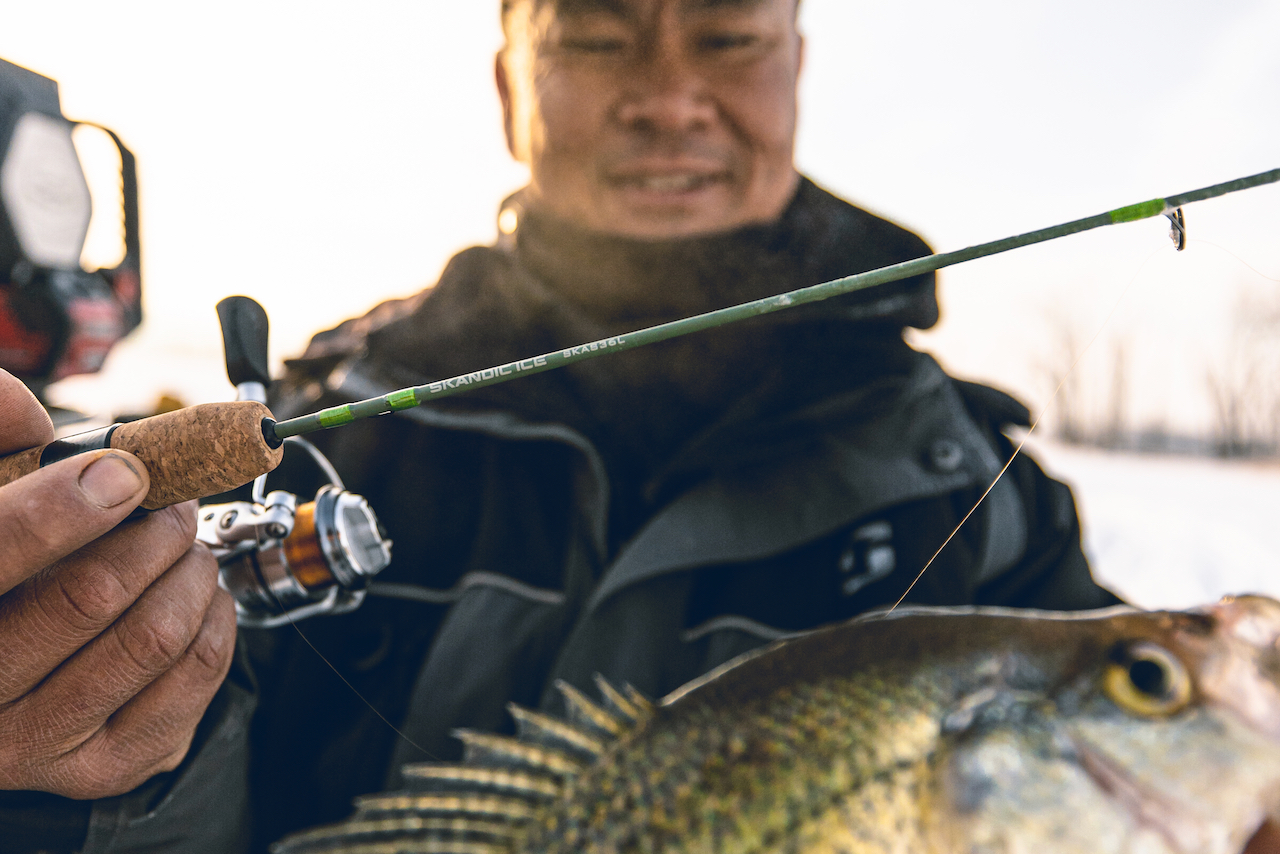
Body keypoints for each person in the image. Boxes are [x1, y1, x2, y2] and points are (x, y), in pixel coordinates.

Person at [0, 1, 1120, 851]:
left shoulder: (992, 508)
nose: (669, 98)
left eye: (728, 36)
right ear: (510, 86)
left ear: (795, 66)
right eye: (596, 37)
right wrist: (65, 772)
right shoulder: (321, 440)